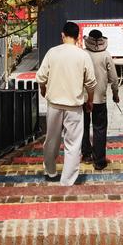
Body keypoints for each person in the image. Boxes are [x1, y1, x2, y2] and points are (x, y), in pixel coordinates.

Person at [36, 21, 96, 185]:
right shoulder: (83, 55)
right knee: (73, 144)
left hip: (54, 104)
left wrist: (43, 89)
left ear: (62, 35)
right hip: (74, 107)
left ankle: (50, 170)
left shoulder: (52, 52)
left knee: (51, 140)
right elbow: (91, 83)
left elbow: (41, 77)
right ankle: (68, 180)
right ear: (78, 37)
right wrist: (90, 100)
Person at [81, 28, 120, 169]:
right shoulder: (106, 55)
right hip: (100, 99)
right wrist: (115, 94)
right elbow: (114, 79)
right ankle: (99, 161)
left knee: (83, 127)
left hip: (83, 98)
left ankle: (86, 155)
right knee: (100, 129)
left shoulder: (83, 54)